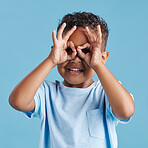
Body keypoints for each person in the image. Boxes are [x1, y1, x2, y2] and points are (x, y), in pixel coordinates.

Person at [9, 12, 135, 148]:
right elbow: (18, 102)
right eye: (68, 50)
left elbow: (125, 111)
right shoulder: (47, 93)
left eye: (86, 51)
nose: (75, 58)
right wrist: (51, 60)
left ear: (103, 57)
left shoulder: (106, 92)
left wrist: (97, 64)